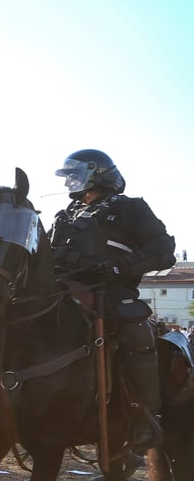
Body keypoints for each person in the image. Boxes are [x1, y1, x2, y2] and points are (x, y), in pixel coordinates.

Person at [51, 149, 175, 451]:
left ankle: (144, 416)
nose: (69, 181)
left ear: (98, 175)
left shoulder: (129, 208)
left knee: (137, 332)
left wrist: (124, 265)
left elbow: (164, 249)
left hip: (111, 291)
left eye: (75, 174)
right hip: (61, 289)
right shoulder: (65, 215)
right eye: (67, 175)